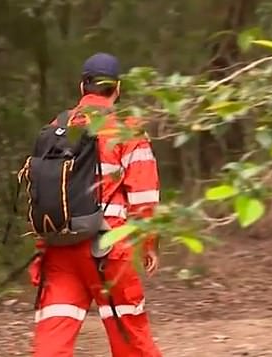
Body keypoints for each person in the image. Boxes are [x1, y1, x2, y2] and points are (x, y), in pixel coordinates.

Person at [29, 53, 163, 357]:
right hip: (106, 246)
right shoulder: (126, 128)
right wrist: (150, 243)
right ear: (117, 88)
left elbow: (43, 191)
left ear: (82, 87)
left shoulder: (58, 125)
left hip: (60, 245)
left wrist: (42, 248)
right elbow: (144, 195)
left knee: (53, 339)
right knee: (131, 338)